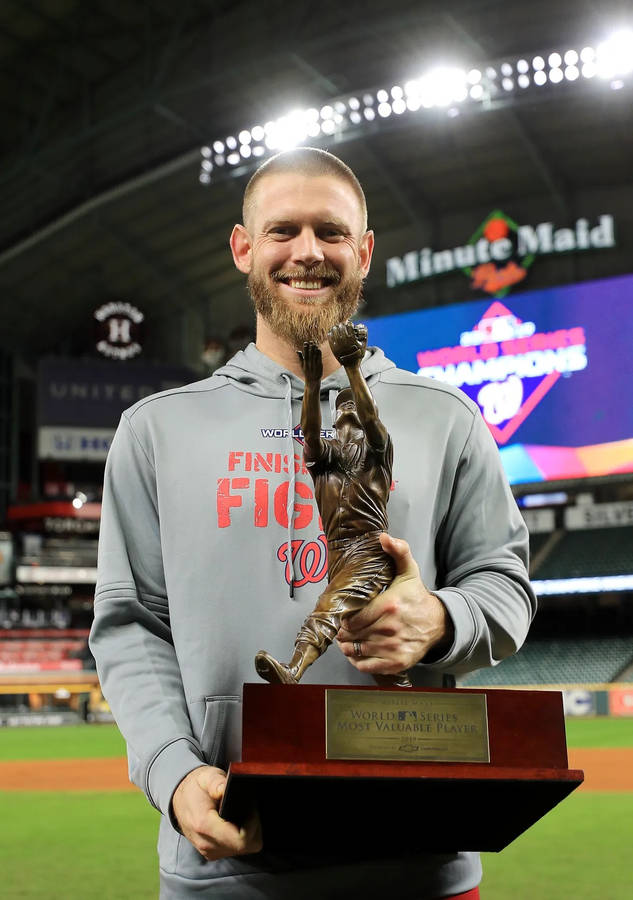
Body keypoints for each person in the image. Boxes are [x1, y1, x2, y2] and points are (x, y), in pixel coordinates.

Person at [90, 147, 536, 899]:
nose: (306, 252)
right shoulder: (156, 429)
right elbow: (131, 625)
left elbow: (506, 587)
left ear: (362, 252)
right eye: (282, 231)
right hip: (229, 864)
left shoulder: (445, 416)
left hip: (419, 860)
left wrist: (439, 616)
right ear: (243, 248)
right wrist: (173, 770)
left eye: (330, 232)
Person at [255, 323, 410, 687]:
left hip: (370, 548)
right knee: (369, 634)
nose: (346, 422)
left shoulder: (377, 454)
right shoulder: (325, 461)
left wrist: (353, 367)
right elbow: (309, 432)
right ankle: (400, 688)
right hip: (338, 554)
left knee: (329, 611)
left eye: (352, 415)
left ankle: (293, 670)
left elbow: (372, 421)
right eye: (340, 417)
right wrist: (311, 384)